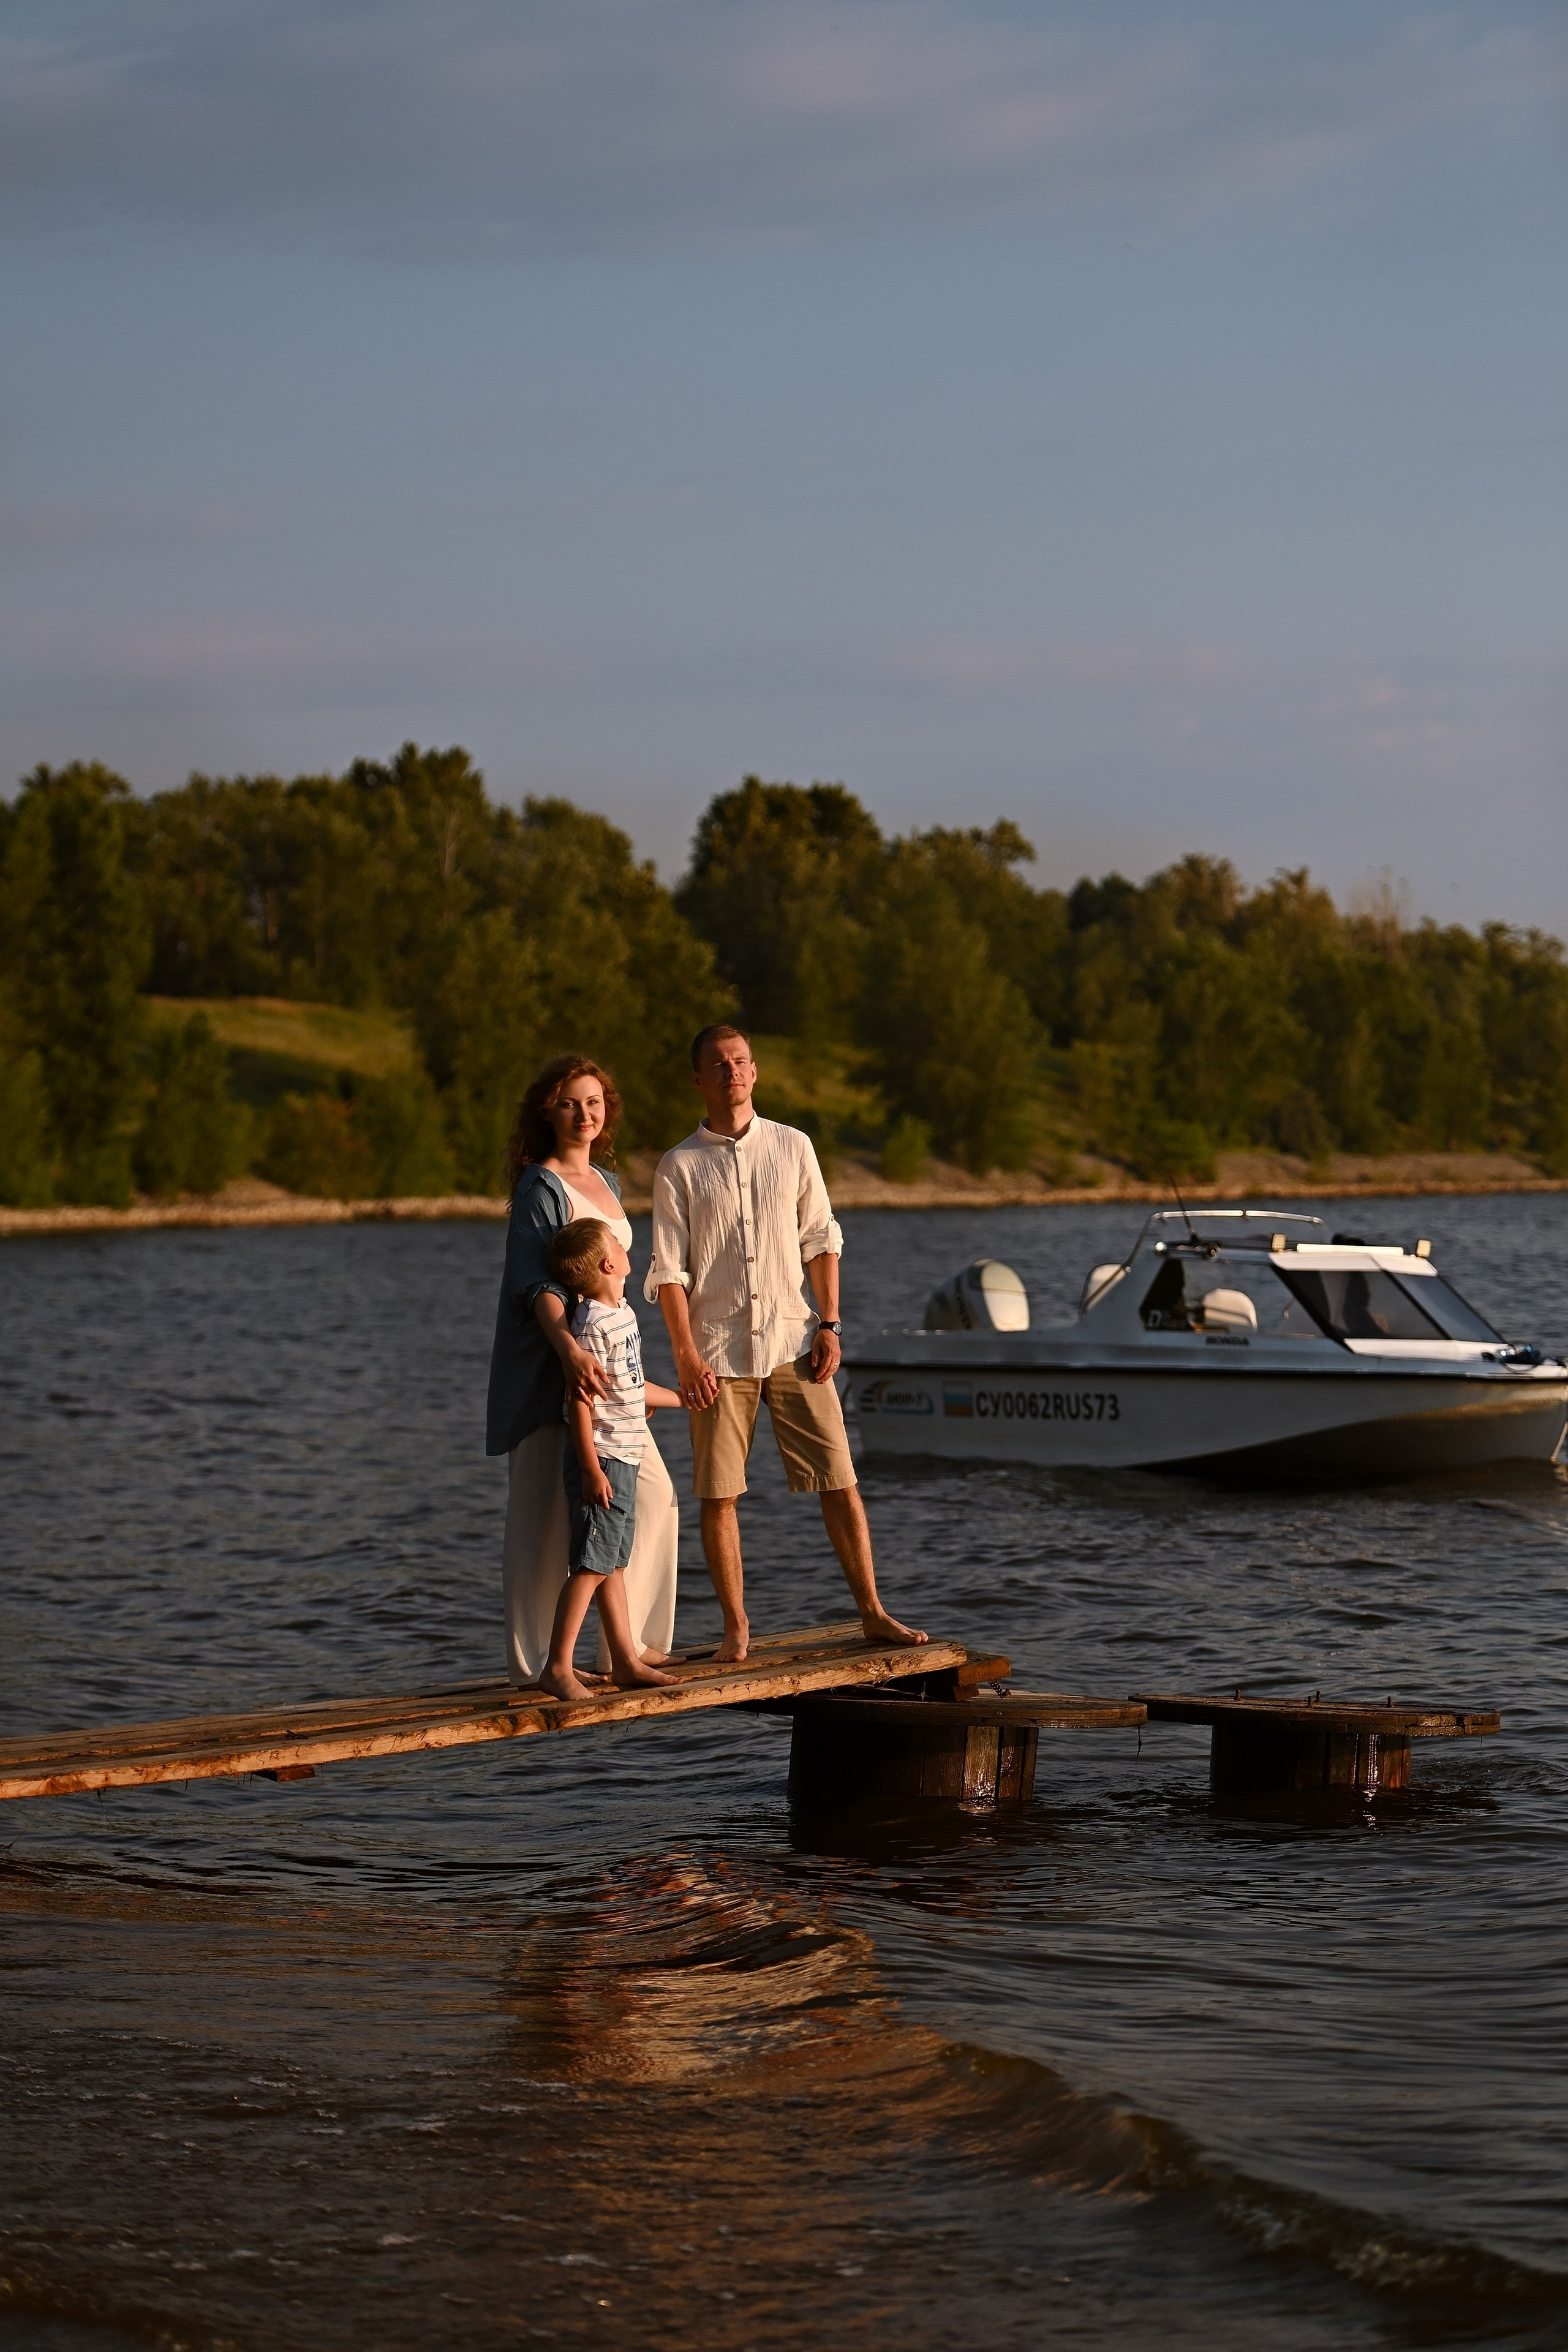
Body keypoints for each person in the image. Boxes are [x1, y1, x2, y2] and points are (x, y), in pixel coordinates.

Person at [647, 1022, 926, 1664]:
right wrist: (685, 1355)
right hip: (716, 1351)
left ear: (755, 1071)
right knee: (719, 1494)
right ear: (698, 1079)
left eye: (741, 1061)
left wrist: (830, 1322)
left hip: (795, 1340)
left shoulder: (793, 1146)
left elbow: (821, 1239)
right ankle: (736, 1630)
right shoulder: (678, 1166)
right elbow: (668, 1272)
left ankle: (873, 1613)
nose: (732, 1072)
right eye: (718, 1065)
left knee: (840, 1478)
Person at [486, 1054, 680, 1686]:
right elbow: (537, 1284)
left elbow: (610, 1276)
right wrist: (567, 1351)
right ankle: (541, 1663)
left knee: (647, 1499)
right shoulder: (539, 1186)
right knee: (545, 1519)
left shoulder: (608, 1182)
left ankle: (625, 1650)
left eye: (594, 1102)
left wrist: (632, 1384)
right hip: (557, 1368)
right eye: (571, 1102)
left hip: (610, 1377)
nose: (584, 1114)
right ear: (549, 1108)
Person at [537, 1219, 683, 1702]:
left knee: (612, 1565)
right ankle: (557, 1667)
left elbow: (632, 1389)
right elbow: (580, 1402)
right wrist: (590, 1468)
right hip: (603, 1458)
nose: (626, 1246)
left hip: (625, 1453)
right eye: (618, 1243)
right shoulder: (592, 1325)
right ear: (608, 1263)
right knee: (590, 1566)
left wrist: (684, 1399)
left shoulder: (621, 1312)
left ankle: (626, 1662)